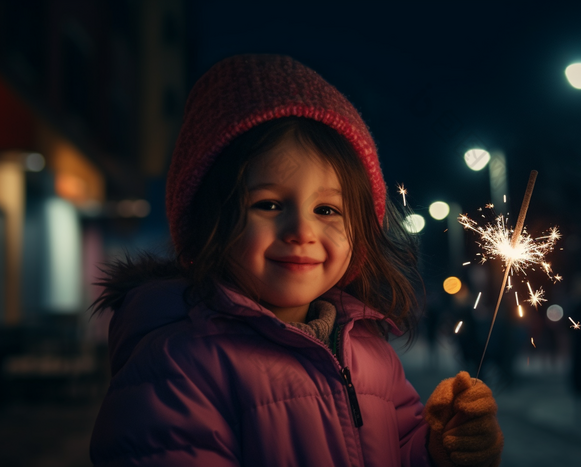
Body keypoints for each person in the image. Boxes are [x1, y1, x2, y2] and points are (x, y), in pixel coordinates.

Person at [89, 54, 503, 466]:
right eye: (268, 205)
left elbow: (400, 452)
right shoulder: (179, 368)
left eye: (327, 210)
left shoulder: (373, 358)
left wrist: (439, 450)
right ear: (209, 222)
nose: (302, 231)